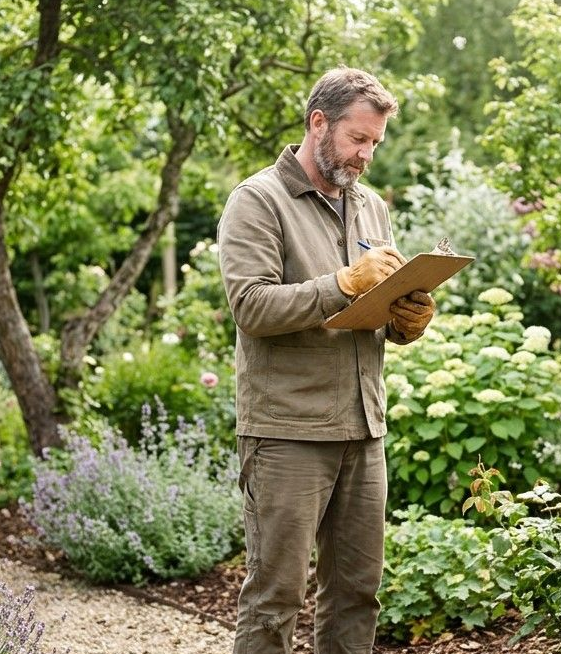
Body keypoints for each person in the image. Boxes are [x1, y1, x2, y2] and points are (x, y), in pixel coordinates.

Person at [217, 66, 436, 654]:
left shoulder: (371, 206)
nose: (367, 155)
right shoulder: (258, 201)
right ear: (319, 123)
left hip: (363, 430)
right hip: (287, 432)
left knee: (357, 595)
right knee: (275, 600)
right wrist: (342, 283)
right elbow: (251, 306)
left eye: (375, 143)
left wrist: (406, 318)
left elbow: (371, 307)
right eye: (357, 139)